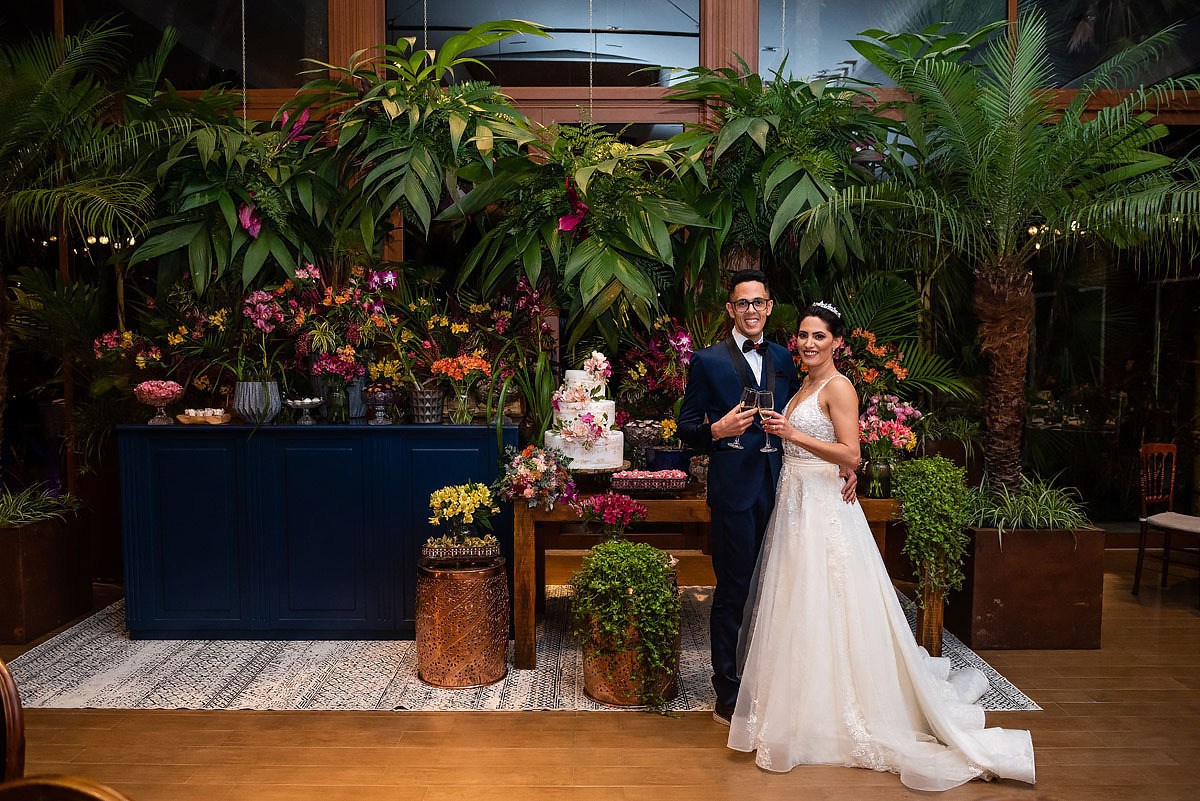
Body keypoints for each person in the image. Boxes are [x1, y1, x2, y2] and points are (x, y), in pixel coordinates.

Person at [728, 301, 1036, 791]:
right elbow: (841, 456)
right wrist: (827, 458)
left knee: (832, 603)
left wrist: (799, 438)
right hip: (796, 503)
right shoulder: (802, 384)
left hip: (824, 510)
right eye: (803, 335)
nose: (808, 343)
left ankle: (839, 714)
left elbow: (852, 452)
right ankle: (801, 705)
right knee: (799, 606)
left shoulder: (839, 386)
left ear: (837, 342)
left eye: (819, 336)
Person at [678, 271, 858, 726]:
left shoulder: (784, 357)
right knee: (734, 590)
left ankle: (774, 684)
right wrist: (716, 430)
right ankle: (727, 689)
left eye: (758, 302)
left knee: (782, 589)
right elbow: (685, 428)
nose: (751, 310)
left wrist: (847, 465)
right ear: (731, 310)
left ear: (769, 307)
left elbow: (820, 421)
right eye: (742, 303)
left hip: (788, 492)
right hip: (734, 495)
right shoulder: (706, 361)